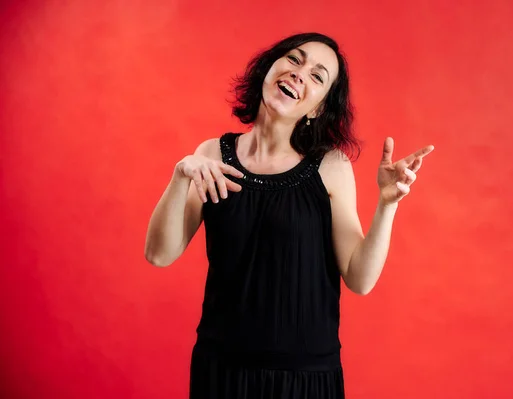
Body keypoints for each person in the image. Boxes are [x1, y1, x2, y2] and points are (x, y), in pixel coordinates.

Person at [144, 32, 434, 399]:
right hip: (221, 370)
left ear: (317, 108)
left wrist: (388, 202)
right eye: (294, 60)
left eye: (317, 76)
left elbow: (360, 279)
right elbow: (159, 254)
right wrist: (180, 173)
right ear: (269, 68)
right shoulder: (212, 155)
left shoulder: (330, 166)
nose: (300, 73)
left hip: (306, 376)